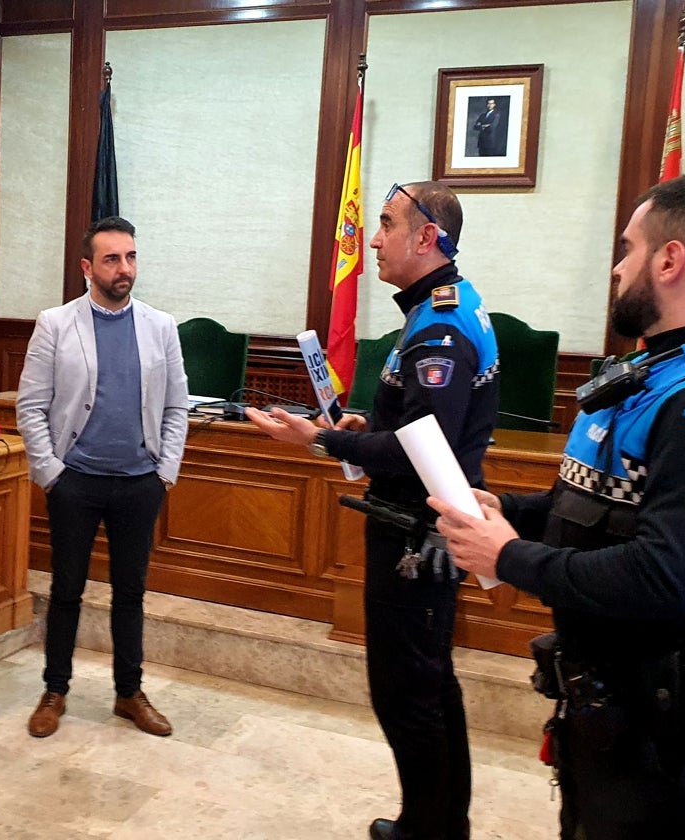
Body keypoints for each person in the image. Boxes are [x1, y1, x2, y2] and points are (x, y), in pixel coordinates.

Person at [431, 171, 685, 839]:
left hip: (665, 738)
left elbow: (666, 575)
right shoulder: (659, 372)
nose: (619, 268)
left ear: (670, 259)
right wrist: (508, 505)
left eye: (628, 249)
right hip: (603, 709)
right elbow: (601, 505)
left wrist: (510, 557)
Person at [246, 182, 498, 840]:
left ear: (426, 238)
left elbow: (423, 449)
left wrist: (323, 437)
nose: (373, 239)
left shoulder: (440, 327)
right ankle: (437, 824)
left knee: (408, 695)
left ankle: (431, 830)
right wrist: (367, 424)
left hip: (417, 539)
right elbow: (411, 426)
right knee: (430, 688)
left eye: (385, 225)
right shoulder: (434, 309)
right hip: (420, 529)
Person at [17, 215, 189, 739]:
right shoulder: (55, 323)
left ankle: (128, 692)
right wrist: (50, 473)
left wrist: (165, 472)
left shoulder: (160, 326)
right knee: (66, 588)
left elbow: (177, 406)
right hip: (76, 482)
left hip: (140, 481)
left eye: (131, 256)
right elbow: (31, 406)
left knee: (130, 592)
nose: (124, 268)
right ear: (88, 266)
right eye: (112, 258)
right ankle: (55, 690)